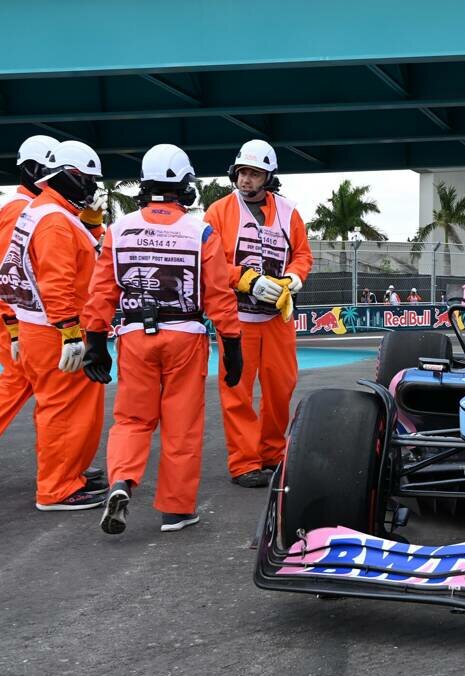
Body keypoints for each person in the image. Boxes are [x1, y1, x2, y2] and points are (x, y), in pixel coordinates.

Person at [82, 144, 244, 534]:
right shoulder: (200, 231)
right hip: (184, 336)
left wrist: (94, 341)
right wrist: (233, 346)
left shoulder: (117, 231)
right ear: (184, 187)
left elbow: (101, 291)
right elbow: (220, 295)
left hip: (134, 335)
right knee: (181, 426)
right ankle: (176, 510)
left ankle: (122, 480)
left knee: (131, 420)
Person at [0, 141, 108, 510]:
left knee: (62, 407)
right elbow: (57, 280)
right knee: (64, 409)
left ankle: (67, 472)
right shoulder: (53, 222)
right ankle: (57, 487)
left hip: (40, 328)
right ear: (72, 176)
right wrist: (70, 333)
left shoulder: (43, 211)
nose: (93, 189)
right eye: (89, 180)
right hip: (55, 331)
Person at [203, 140, 312, 488]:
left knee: (281, 389)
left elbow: (302, 254)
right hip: (238, 319)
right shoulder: (218, 212)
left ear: (269, 176)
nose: (246, 179)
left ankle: (272, 454)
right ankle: (244, 462)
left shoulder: (289, 212)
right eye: (242, 172)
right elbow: (211, 262)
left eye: (254, 173)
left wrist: (295, 276)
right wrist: (245, 279)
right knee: (237, 391)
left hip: (277, 319)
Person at [0, 135, 59, 438]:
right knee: (19, 382)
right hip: (15, 315)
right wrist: (12, 326)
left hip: (19, 313)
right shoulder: (20, 209)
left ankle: (61, 460)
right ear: (34, 169)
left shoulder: (31, 206)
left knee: (42, 388)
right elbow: (9, 271)